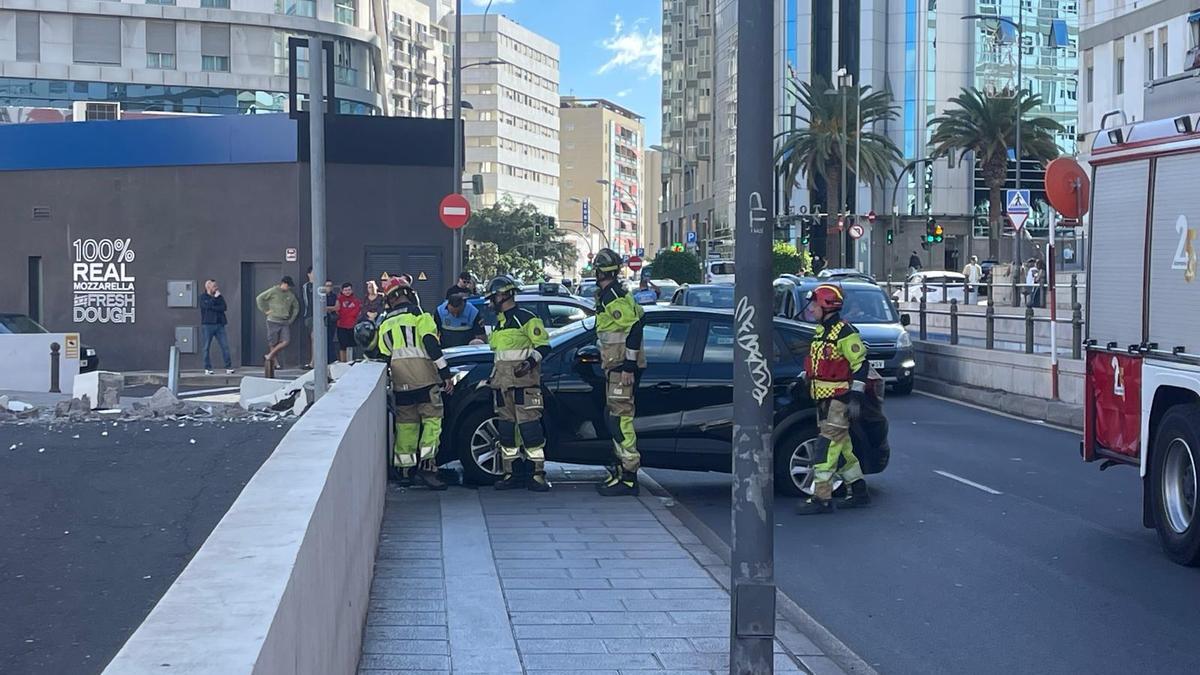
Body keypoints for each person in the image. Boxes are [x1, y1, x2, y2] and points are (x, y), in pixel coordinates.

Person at [796, 283, 872, 515]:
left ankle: (822, 498)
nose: (811, 309)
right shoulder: (822, 332)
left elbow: (860, 364)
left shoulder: (845, 333)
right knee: (843, 450)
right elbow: (818, 364)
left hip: (840, 399)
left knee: (825, 448)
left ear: (826, 306)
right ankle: (859, 492)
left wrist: (856, 397)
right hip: (823, 400)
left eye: (814, 305)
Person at [370, 282, 452, 490]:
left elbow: (383, 356)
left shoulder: (385, 323)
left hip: (401, 383)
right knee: (432, 422)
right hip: (425, 379)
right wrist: (445, 373)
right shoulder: (420, 316)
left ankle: (406, 470)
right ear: (407, 294)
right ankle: (428, 467)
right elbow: (431, 344)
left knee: (406, 426)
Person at [484, 275, 552, 491]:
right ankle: (511, 473)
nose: (490, 302)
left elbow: (544, 346)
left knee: (530, 430)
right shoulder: (499, 325)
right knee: (506, 431)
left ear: (503, 295)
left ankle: (537, 474)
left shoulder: (527, 319)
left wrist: (529, 363)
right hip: (502, 387)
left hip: (525, 386)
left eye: (492, 297)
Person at [590, 249, 647, 496]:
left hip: (621, 369)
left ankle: (629, 477)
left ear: (601, 271)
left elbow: (635, 326)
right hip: (615, 367)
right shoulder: (610, 294)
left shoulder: (613, 296)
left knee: (620, 420)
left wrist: (629, 366)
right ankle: (620, 471)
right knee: (613, 418)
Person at [256, 276, 299, 372]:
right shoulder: (273, 290)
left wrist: (291, 319)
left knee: (286, 340)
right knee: (272, 341)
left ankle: (270, 355)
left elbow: (296, 307)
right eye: (288, 286)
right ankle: (275, 362)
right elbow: (259, 298)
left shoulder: (290, 295)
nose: (289, 288)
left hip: (284, 321)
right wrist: (265, 310)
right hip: (273, 320)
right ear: (283, 283)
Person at [199, 279, 235, 375]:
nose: (216, 287)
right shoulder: (203, 297)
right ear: (208, 287)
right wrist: (214, 299)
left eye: (216, 286)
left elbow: (224, 307)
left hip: (219, 324)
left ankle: (228, 367)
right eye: (214, 286)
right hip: (208, 325)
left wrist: (214, 305)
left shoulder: (219, 297)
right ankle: (207, 367)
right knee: (206, 347)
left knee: (225, 346)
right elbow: (206, 306)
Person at [335, 282, 363, 362]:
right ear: (342, 291)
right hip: (341, 326)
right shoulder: (338, 300)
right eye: (345, 290)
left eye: (349, 290)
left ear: (352, 290)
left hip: (352, 326)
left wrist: (346, 312)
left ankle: (351, 362)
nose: (347, 291)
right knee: (342, 346)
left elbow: (357, 312)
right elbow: (338, 311)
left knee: (352, 346)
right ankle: (343, 363)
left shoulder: (356, 300)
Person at [302, 266, 315, 369]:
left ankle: (314, 361)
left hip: (321, 315)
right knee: (314, 338)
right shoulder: (307, 286)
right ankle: (313, 361)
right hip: (310, 315)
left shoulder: (321, 286)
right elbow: (308, 302)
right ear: (309, 274)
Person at [322, 279, 338, 363]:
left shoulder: (334, 296)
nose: (329, 287)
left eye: (330, 286)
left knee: (330, 339)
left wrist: (327, 308)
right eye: (327, 285)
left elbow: (336, 307)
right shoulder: (321, 296)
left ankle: (332, 359)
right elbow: (320, 307)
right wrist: (329, 308)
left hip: (332, 320)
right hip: (322, 320)